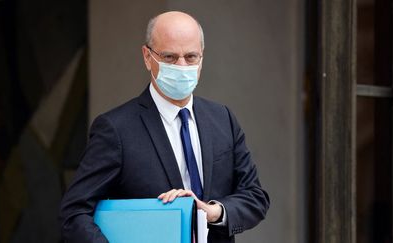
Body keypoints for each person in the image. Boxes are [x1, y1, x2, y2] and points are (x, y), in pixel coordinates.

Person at [59, 11, 269, 243]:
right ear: (147, 57)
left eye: (191, 57)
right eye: (169, 57)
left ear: (202, 57)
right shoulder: (116, 129)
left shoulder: (222, 119)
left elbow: (255, 197)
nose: (181, 66)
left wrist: (212, 211)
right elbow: (75, 212)